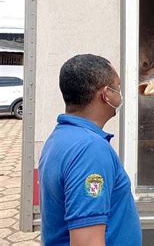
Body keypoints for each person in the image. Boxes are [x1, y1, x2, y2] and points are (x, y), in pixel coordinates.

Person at [39, 54, 141, 246]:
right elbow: (87, 242)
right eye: (117, 87)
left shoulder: (60, 137)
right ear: (105, 94)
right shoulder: (90, 150)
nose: (120, 93)